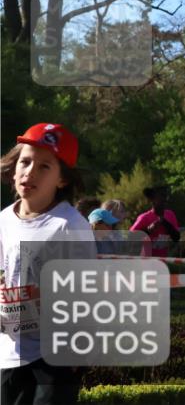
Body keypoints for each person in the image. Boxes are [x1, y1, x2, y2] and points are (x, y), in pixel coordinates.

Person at [0, 123, 96, 404]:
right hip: (10, 351)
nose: (30, 172)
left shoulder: (70, 225)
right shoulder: (3, 220)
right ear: (13, 168)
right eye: (25, 162)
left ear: (62, 179)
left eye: (44, 167)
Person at [130, 186, 180, 258]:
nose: (165, 199)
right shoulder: (144, 217)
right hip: (146, 260)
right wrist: (148, 230)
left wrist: (164, 222)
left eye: (165, 196)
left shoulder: (170, 215)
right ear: (152, 199)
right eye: (162, 196)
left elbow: (176, 238)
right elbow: (131, 237)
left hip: (162, 260)